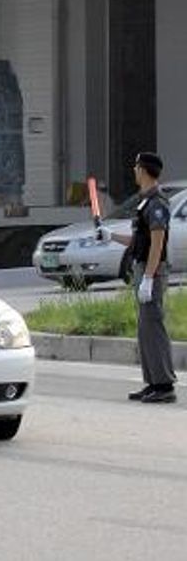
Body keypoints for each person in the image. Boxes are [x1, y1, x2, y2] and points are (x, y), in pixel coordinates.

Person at [99, 152, 177, 403]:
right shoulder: (145, 201)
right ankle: (153, 382)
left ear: (143, 170)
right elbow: (139, 241)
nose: (133, 170)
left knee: (153, 327)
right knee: (145, 329)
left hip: (151, 271)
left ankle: (165, 385)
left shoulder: (157, 202)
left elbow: (157, 243)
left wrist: (149, 278)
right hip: (142, 268)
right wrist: (110, 237)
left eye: (136, 166)